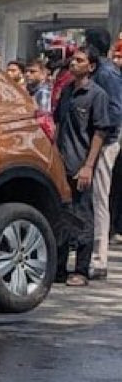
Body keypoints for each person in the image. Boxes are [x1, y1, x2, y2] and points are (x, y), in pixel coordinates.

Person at [54, 47, 111, 287]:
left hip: (81, 164)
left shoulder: (97, 95)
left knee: (83, 216)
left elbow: (100, 132)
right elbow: (58, 124)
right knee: (62, 216)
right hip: (61, 164)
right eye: (73, 60)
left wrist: (88, 166)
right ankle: (58, 268)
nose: (73, 64)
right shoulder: (67, 91)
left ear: (91, 66)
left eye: (80, 60)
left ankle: (81, 270)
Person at [82, 28, 122, 279]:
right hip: (93, 141)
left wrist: (101, 135)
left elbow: (115, 110)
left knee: (99, 197)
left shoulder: (107, 74)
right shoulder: (100, 71)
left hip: (105, 142)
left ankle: (99, 259)